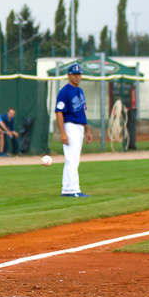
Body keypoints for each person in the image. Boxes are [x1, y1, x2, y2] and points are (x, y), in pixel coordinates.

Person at [55, 63, 93, 198]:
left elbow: (82, 112)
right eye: (74, 74)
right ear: (69, 75)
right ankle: (73, 189)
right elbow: (59, 112)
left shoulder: (80, 91)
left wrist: (87, 130)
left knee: (73, 159)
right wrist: (62, 133)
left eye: (79, 74)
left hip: (79, 127)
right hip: (70, 125)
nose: (77, 77)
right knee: (72, 159)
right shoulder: (64, 91)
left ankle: (66, 189)